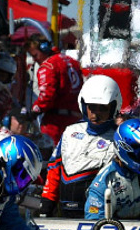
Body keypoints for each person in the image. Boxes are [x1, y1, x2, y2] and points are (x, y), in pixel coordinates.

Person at [40, 74, 121, 218]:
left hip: (99, 213)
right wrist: (47, 201)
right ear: (84, 105)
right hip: (64, 212)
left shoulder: (120, 137)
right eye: (92, 107)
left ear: (113, 106)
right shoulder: (70, 131)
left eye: (102, 108)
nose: (96, 113)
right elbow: (54, 168)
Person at [25, 34, 83, 144]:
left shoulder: (48, 66)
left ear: (44, 49)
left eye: (35, 55)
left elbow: (47, 96)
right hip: (76, 120)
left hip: (56, 123)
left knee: (50, 156)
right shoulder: (72, 62)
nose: (34, 59)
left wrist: (34, 111)